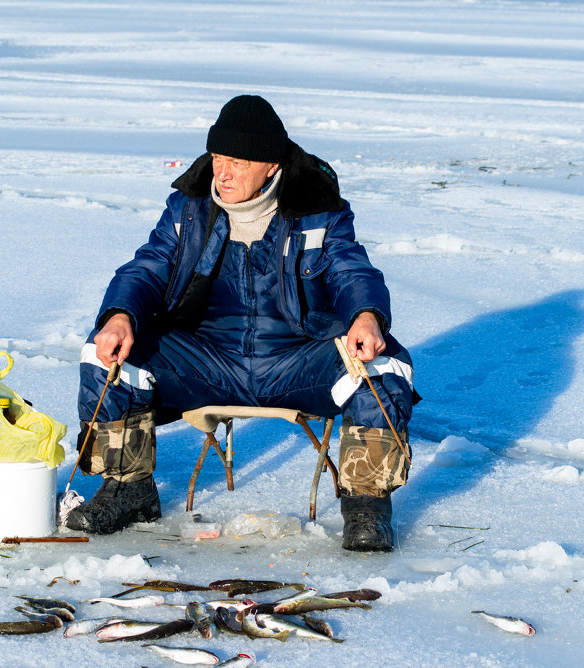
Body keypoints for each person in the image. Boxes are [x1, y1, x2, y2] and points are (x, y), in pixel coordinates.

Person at [64, 95, 418, 551]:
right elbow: (147, 268)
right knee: (103, 351)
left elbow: (352, 272)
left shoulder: (319, 211)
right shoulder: (187, 210)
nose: (222, 173)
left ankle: (367, 506)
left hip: (294, 362)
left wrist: (366, 316)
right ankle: (128, 487)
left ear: (270, 165)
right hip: (207, 361)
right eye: (217, 159)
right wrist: (119, 316)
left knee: (385, 366)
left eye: (237, 162)